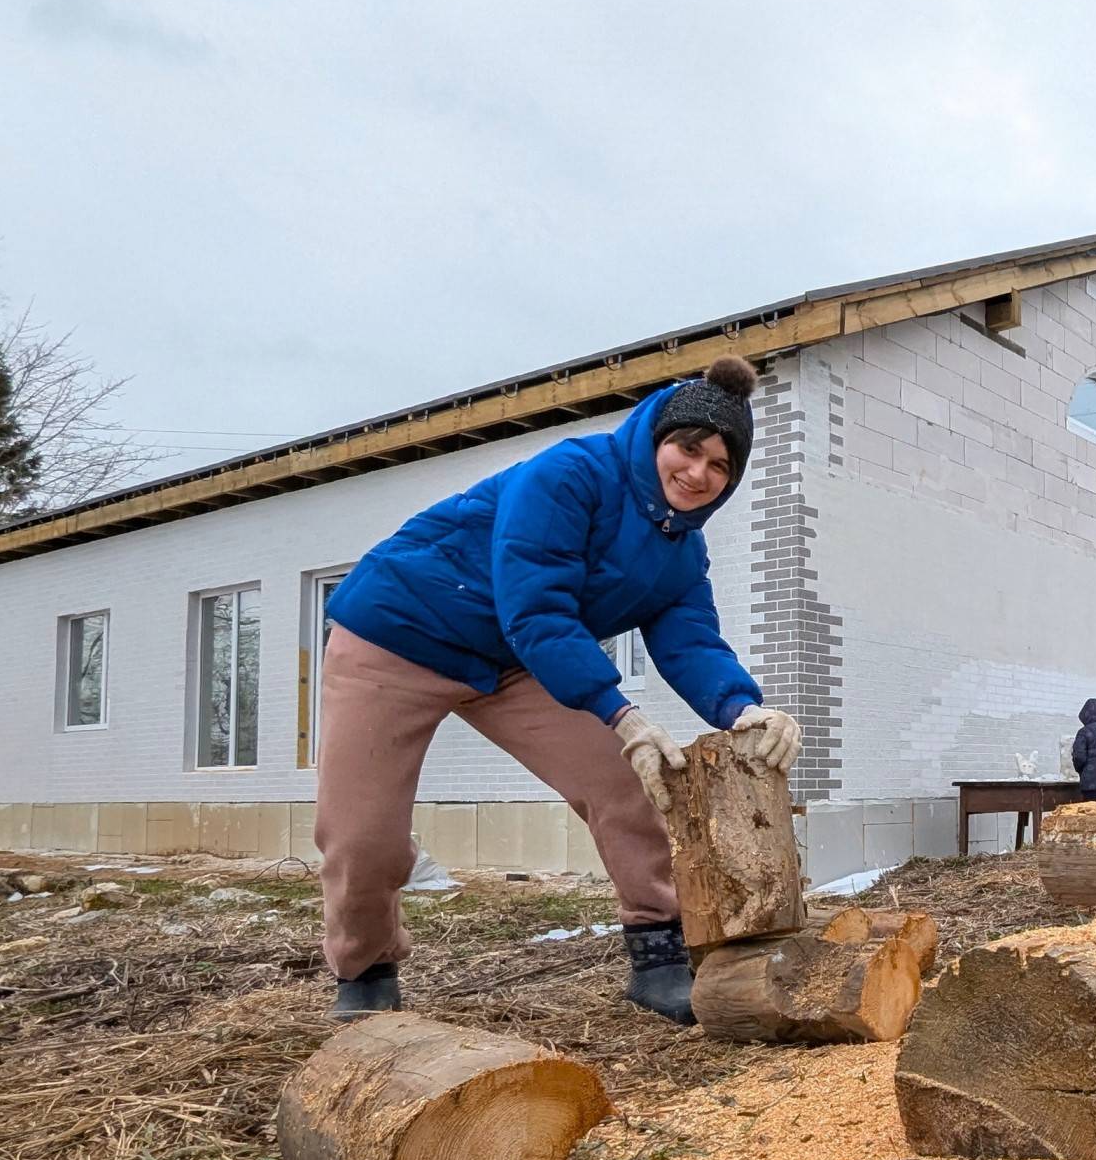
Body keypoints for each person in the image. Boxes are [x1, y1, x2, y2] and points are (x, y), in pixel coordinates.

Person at [314, 357, 801, 1024]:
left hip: (513, 662)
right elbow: (536, 612)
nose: (698, 474)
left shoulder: (681, 551)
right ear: (659, 438)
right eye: (689, 450)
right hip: (397, 637)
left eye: (720, 467)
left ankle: (659, 952)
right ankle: (366, 969)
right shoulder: (568, 475)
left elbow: (689, 641)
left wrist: (743, 708)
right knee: (361, 835)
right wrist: (620, 713)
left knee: (631, 783)